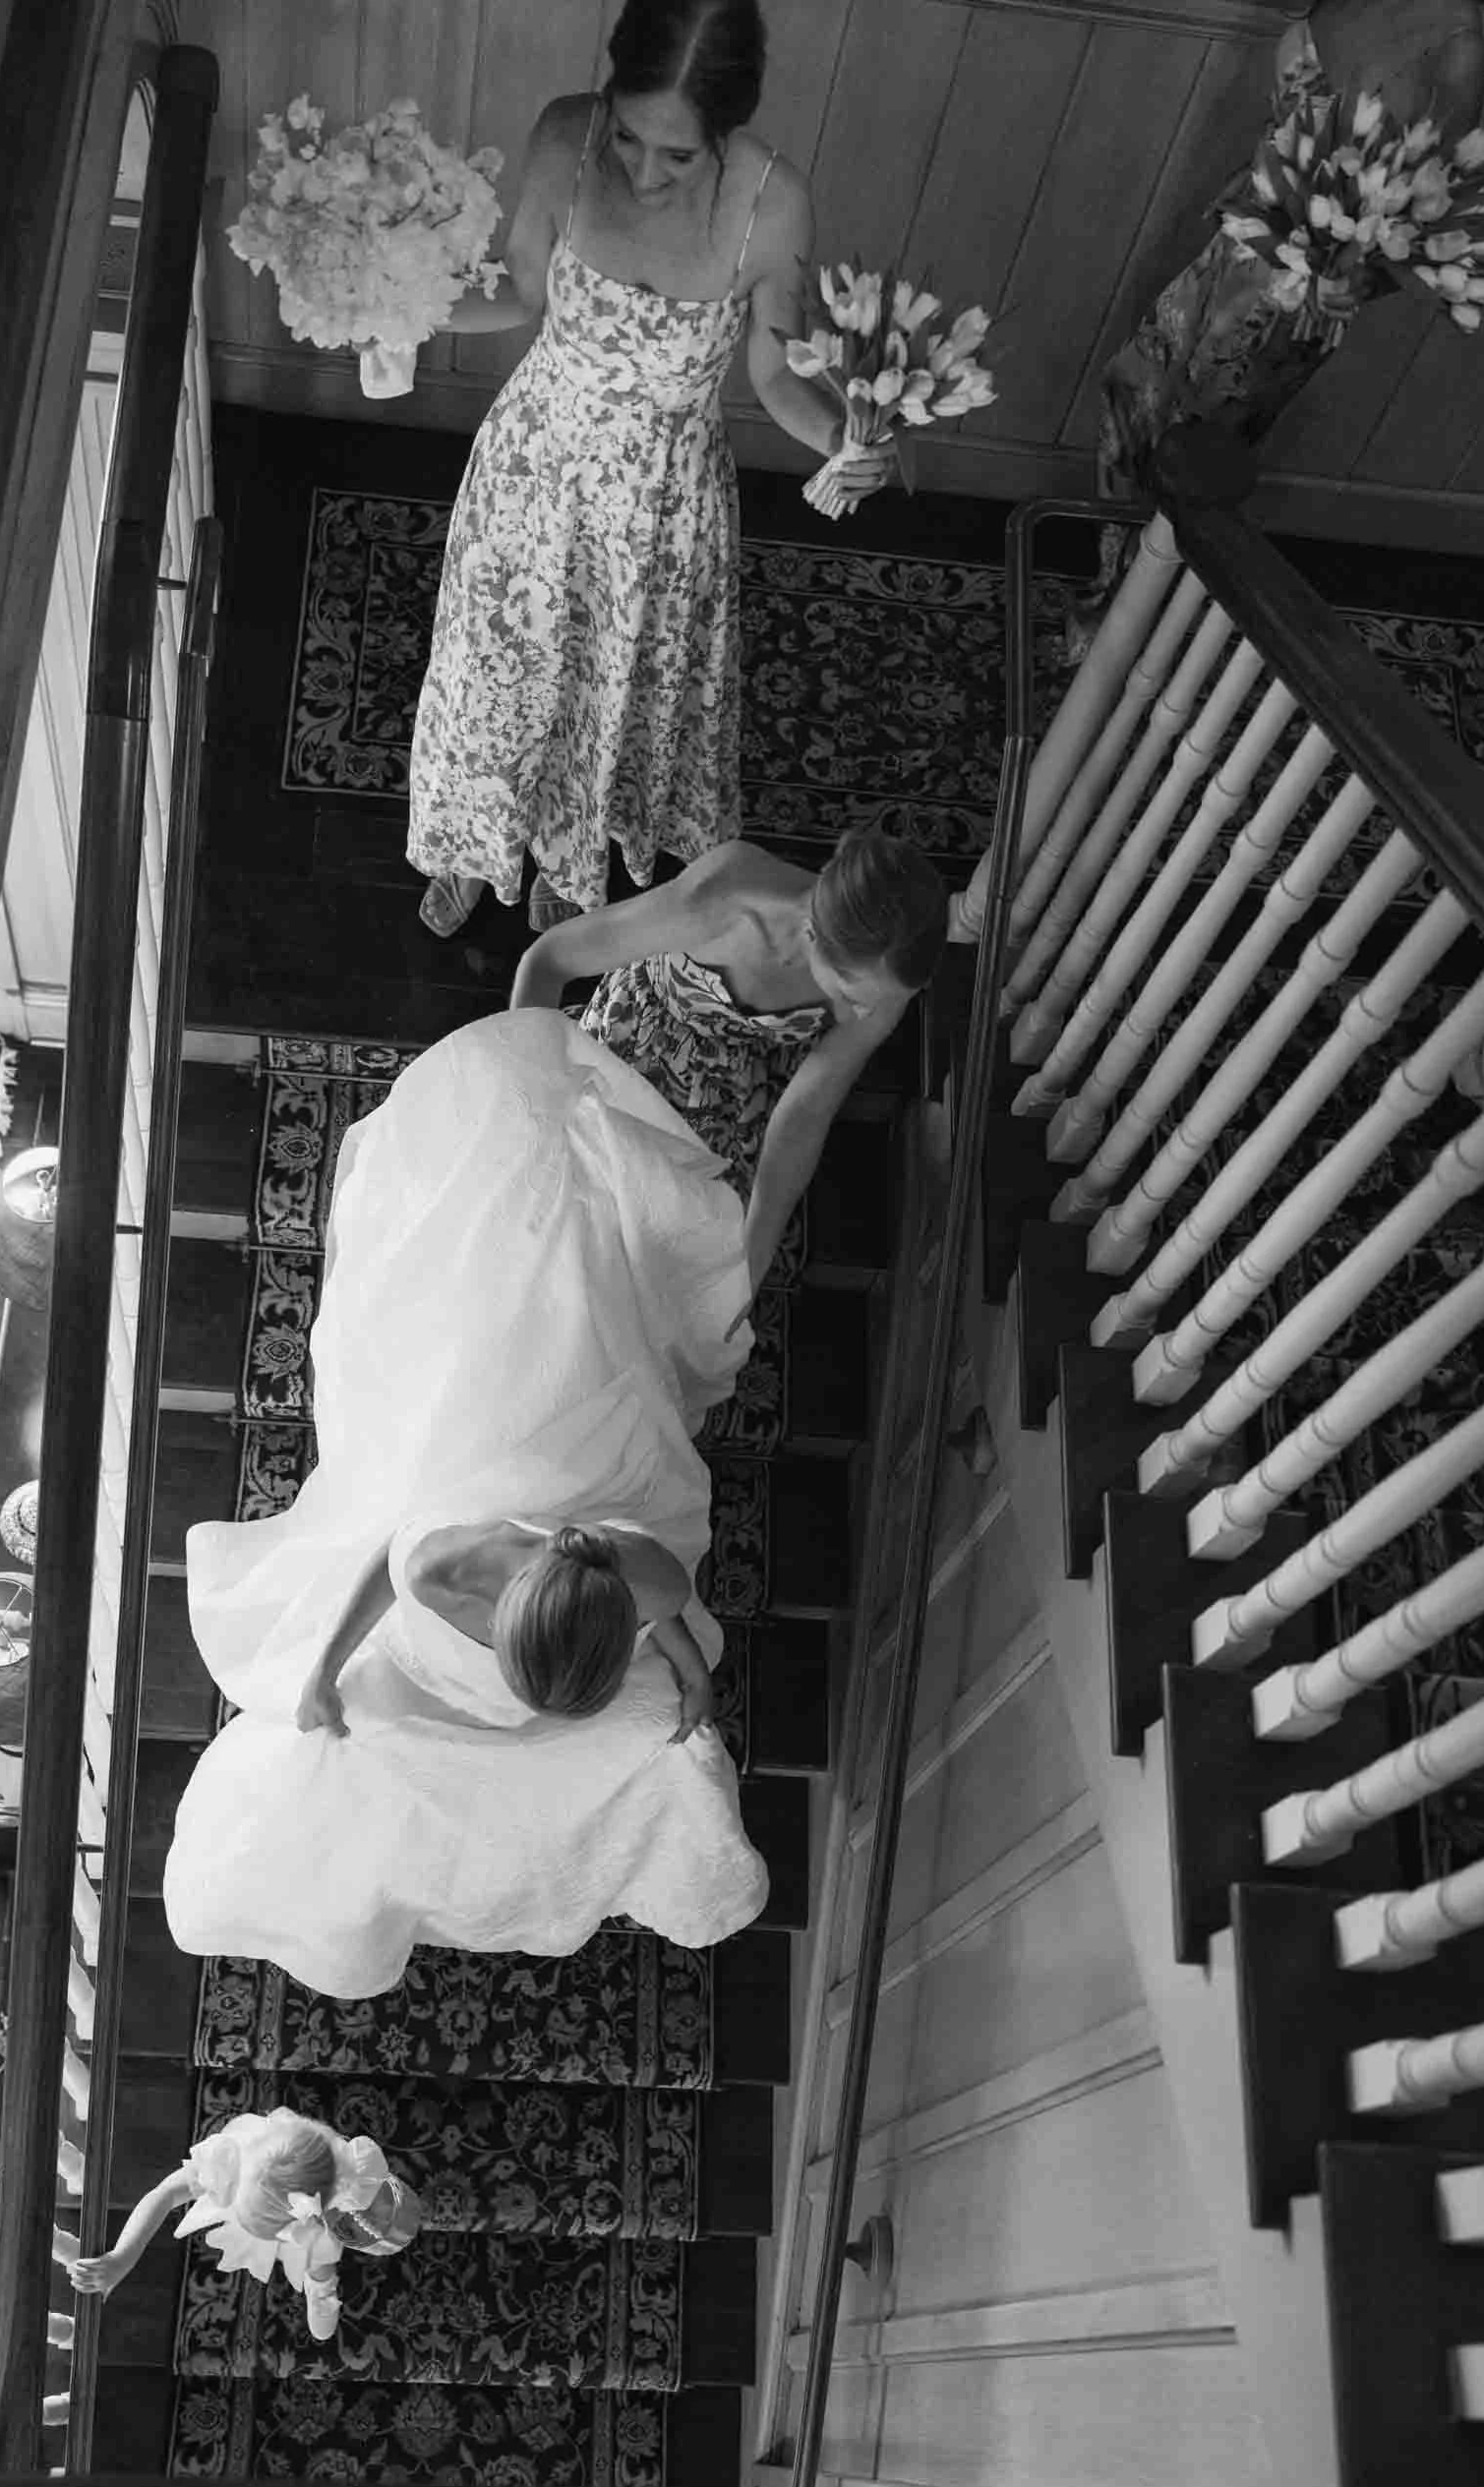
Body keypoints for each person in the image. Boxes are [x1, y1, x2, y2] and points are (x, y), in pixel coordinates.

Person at [159, 1004, 771, 2001]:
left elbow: (660, 1623)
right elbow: (372, 1580)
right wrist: (317, 1670)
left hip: (533, 1459)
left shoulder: (640, 1573)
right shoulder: (439, 1563)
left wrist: (689, 1674)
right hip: (495, 1448)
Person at [405, 0, 894, 944]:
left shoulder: (773, 203)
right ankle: (476, 841)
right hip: (536, 468)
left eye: (680, 155)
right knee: (492, 677)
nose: (643, 169)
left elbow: (772, 372)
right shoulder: (563, 137)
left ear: (728, 126)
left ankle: (567, 853)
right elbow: (517, 294)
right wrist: (394, 302)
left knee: (608, 690)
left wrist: (842, 439)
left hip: (664, 510)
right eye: (628, 137)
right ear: (608, 94)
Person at [1082, 0, 1484, 623]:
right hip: (1238, 246)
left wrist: (1354, 283)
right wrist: (1252, 180)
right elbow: (1299, 122)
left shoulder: (1456, 48)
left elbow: (1427, 214)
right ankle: (1109, 583)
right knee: (1130, 395)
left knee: (1185, 453)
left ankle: (1122, 615)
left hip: (1292, 301)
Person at [509, 823, 948, 1294]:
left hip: (735, 1079)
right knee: (563, 1210)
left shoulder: (886, 976)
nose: (865, 1015)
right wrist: (527, 1102)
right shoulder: (722, 897)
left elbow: (805, 1112)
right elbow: (547, 962)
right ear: (814, 938)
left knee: (679, 1260)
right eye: (850, 996)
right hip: (643, 1033)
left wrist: (751, 1262)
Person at [66, 2107, 423, 2344]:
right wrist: (122, 2256)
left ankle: (321, 2287)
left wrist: (351, 2209)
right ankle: (321, 2285)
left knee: (321, 2254)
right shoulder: (226, 2164)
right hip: (292, 2205)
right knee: (317, 2246)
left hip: (311, 2205)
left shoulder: (335, 2169)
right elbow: (163, 2195)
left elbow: (349, 2178)